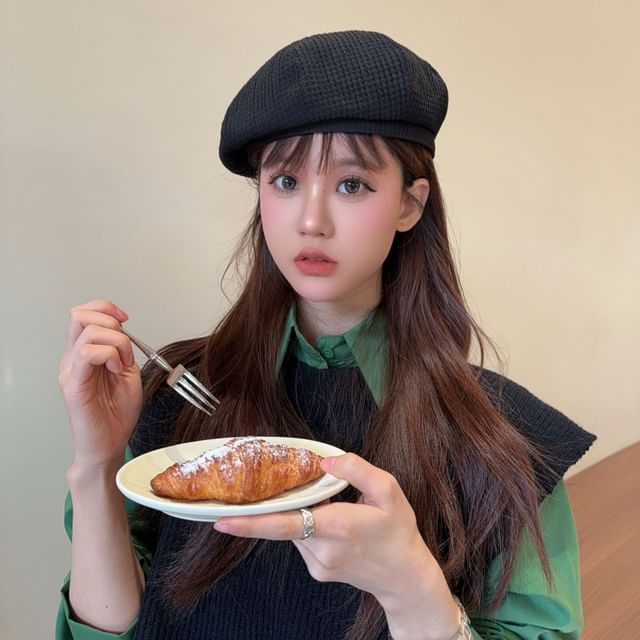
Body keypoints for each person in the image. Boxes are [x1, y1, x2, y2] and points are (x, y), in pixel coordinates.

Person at [56, 30, 595, 640]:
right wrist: (97, 465)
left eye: (351, 184)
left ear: (409, 204)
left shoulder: (502, 442)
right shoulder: (169, 398)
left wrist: (413, 588)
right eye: (286, 181)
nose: (311, 220)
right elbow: (110, 628)